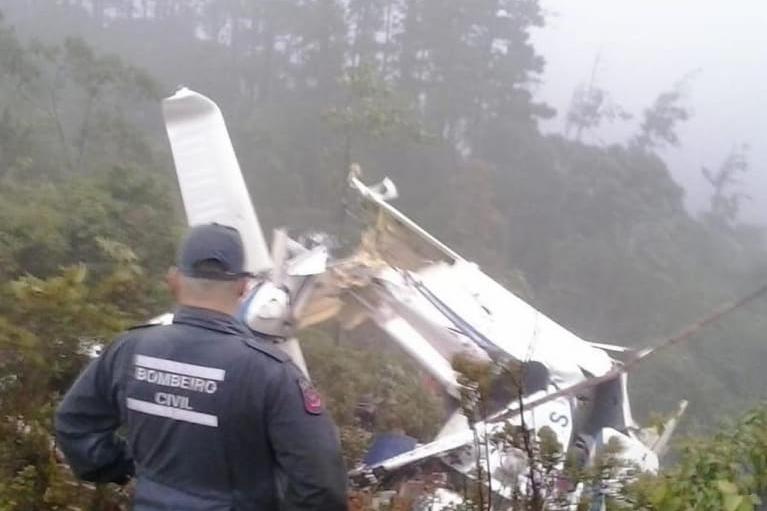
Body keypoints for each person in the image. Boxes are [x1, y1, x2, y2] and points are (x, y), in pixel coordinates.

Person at [55, 223, 348, 511]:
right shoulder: (271, 372)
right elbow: (320, 483)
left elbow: (74, 425)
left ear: (174, 279)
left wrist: (128, 468)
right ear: (243, 286)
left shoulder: (127, 350)